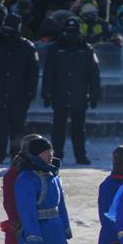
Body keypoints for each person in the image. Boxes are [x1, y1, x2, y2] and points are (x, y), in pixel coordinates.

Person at [41, 17, 100, 165]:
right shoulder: (55, 48)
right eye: (69, 31)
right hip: (59, 95)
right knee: (58, 129)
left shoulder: (86, 49)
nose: (71, 34)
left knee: (78, 129)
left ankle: (80, 156)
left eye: (74, 31)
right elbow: (48, 73)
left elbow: (93, 74)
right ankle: (56, 156)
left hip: (79, 95)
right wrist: (46, 93)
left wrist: (94, 95)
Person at [0, 13, 38, 165]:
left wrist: (30, 92)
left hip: (19, 95)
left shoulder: (27, 47)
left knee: (17, 128)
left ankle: (16, 154)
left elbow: (32, 73)